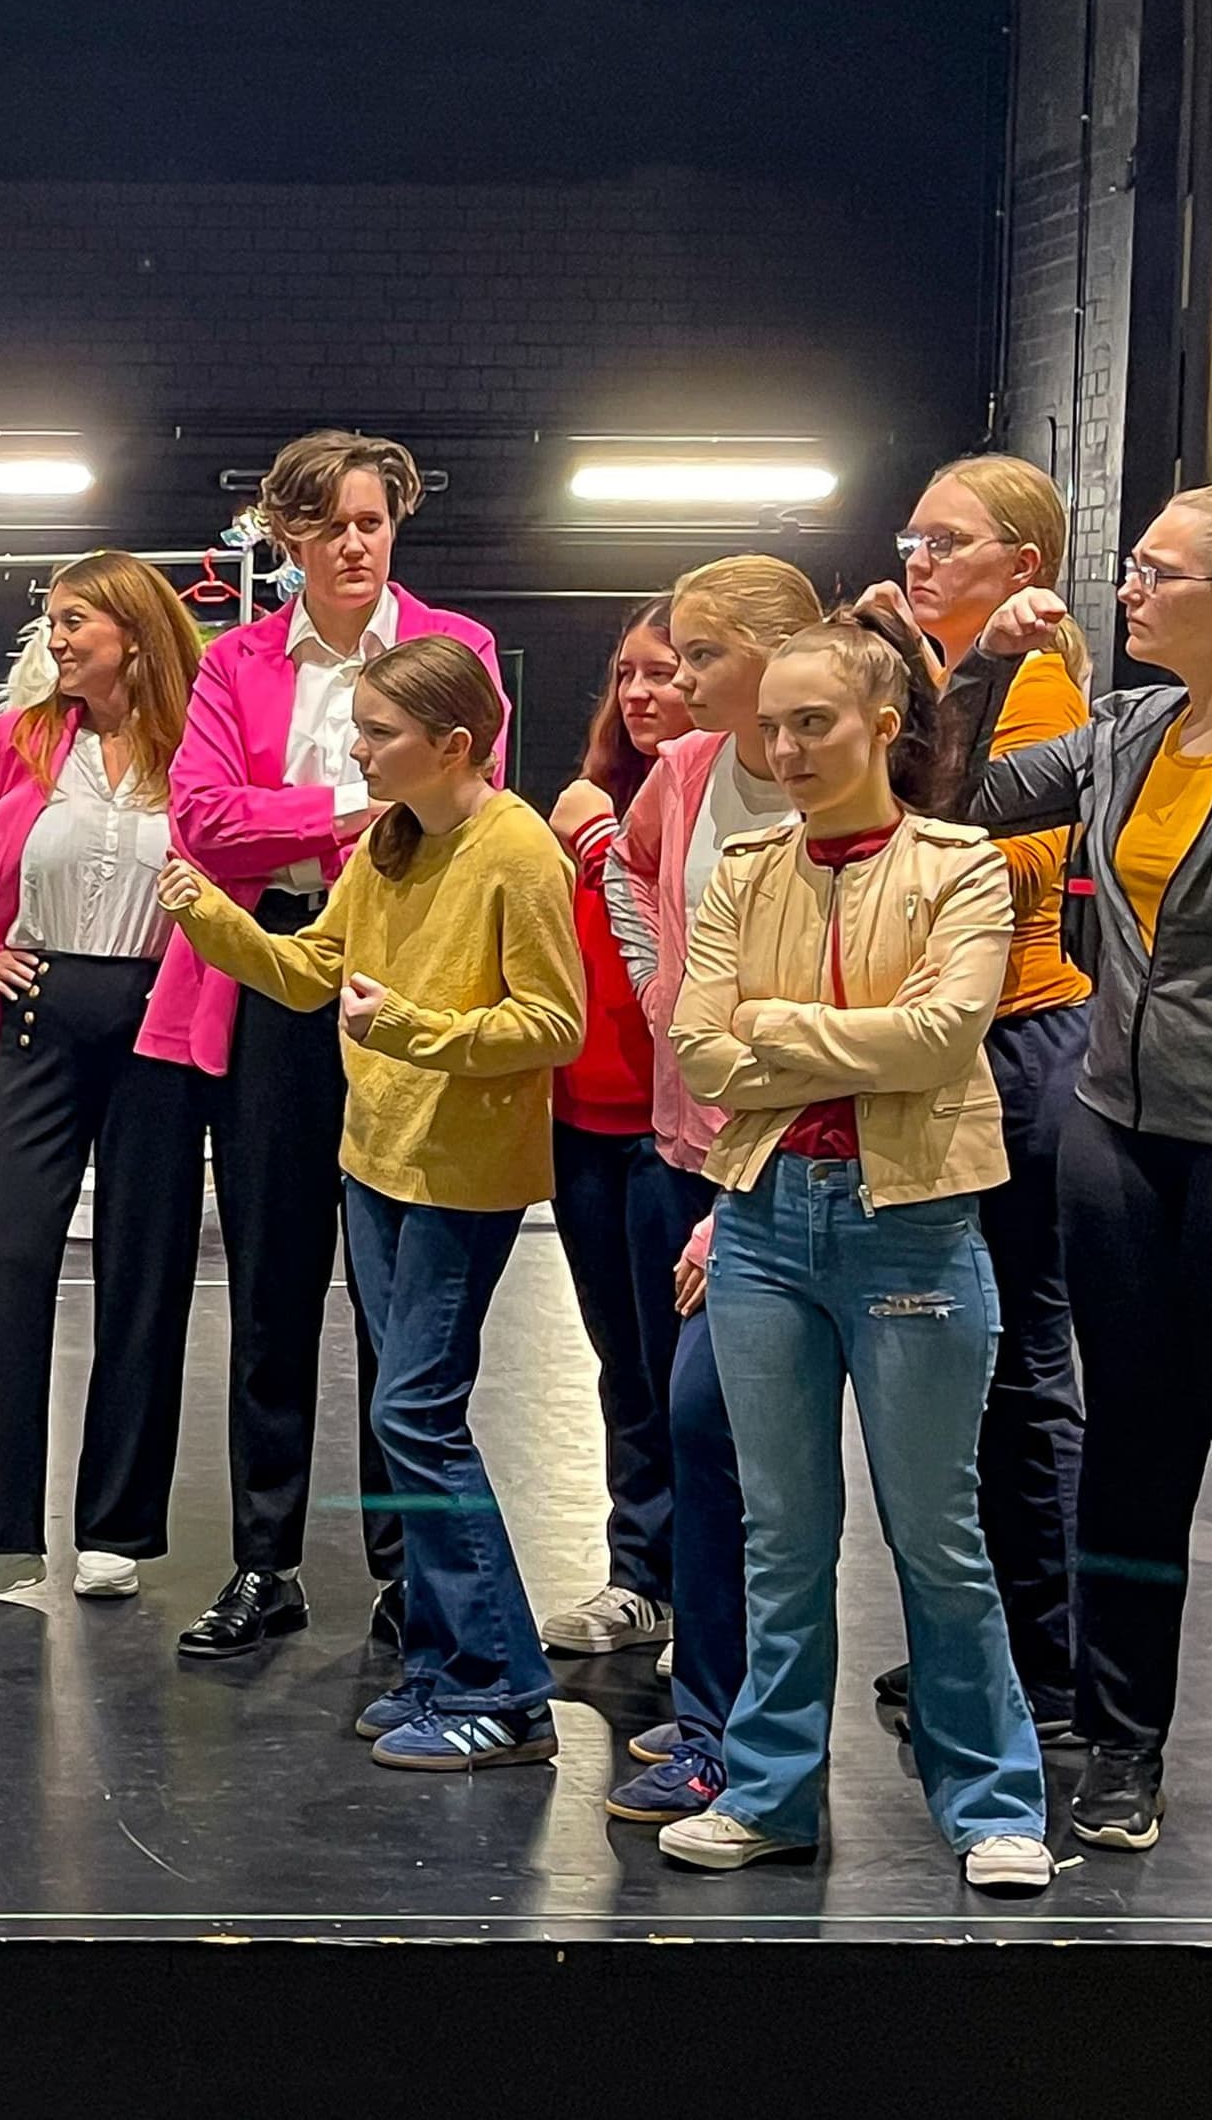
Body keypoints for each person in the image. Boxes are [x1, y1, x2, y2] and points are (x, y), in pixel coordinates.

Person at [654, 606, 1053, 1894]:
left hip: (916, 1228)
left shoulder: (963, 866)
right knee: (783, 1535)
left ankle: (994, 1804)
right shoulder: (746, 871)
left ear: (884, 726)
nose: (785, 747)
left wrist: (776, 1023)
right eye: (772, 726)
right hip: (765, 1224)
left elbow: (943, 1039)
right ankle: (771, 1795)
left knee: (938, 1534)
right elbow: (700, 1051)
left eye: (812, 723)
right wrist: (823, 1032)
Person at [156, 635, 580, 1770]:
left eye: (379, 735)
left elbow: (554, 1025)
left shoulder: (519, 852)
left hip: (461, 1178)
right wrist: (211, 919)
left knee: (417, 1420)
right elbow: (310, 975)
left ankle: (503, 1686)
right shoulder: (385, 845)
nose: (357, 752)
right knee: (410, 1420)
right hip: (377, 1163)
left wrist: (415, 1030)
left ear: (452, 744)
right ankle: (445, 1666)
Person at [970, 484, 1212, 1855]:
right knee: (1132, 1455)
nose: (1127, 589)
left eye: (1157, 573)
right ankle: (1122, 1746)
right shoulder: (1122, 734)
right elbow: (959, 797)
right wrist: (989, 662)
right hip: (1115, 1133)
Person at [158, 429, 499, 1661]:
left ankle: (410, 1579)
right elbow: (199, 820)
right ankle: (267, 1562)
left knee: (399, 1302)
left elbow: (464, 817)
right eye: (328, 526)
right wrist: (358, 807)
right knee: (271, 1280)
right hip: (271, 976)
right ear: (287, 539)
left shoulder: (458, 652)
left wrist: (287, 823)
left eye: (372, 521)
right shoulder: (233, 664)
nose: (354, 544)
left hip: (406, 977)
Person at [0, 552, 205, 1613]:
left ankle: (119, 1528)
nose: (56, 639)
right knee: (13, 1255)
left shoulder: (198, 744)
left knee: (145, 1267)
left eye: (75, 621)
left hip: (161, 1015)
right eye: (53, 622)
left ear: (133, 631)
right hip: (39, 1013)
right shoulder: (24, 740)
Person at [853, 454, 1099, 1745]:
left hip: (1016, 1048)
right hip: (970, 1046)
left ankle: (1048, 1674)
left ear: (1024, 569)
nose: (918, 558)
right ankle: (998, 1649)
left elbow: (970, 874)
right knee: (975, 1363)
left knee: (1017, 1368)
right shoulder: (952, 681)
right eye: (913, 535)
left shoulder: (1040, 685)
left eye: (950, 541)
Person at [602, 553, 822, 1817]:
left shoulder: (840, 790)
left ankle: (747, 1728)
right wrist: (659, 984)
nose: (674, 681)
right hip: (695, 1144)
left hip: (803, 1160)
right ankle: (721, 1718)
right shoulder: (685, 774)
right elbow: (631, 871)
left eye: (700, 657)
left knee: (735, 1443)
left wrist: (743, 1197)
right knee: (704, 1437)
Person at [537, 599, 689, 1663]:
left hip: (672, 1135)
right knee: (623, 1366)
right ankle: (641, 1578)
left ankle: (705, 1590)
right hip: (584, 1125)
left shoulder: (719, 802)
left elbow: (671, 956)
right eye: (627, 672)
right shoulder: (593, 797)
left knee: (688, 1376)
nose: (640, 693)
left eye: (667, 672)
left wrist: (595, 842)